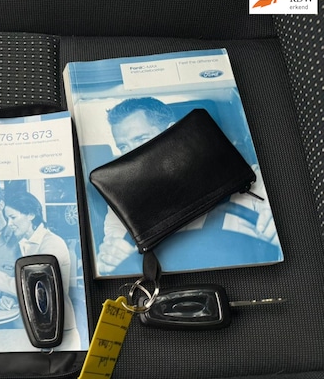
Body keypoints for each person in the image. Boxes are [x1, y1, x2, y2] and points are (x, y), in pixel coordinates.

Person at [97, 97, 279, 274]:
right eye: (123, 146)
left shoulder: (247, 175)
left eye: (140, 138)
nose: (131, 154)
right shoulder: (121, 204)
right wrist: (111, 259)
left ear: (172, 131)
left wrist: (276, 230)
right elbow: (114, 248)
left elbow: (275, 227)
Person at [0, 191, 80, 348]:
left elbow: (37, 290)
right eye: (7, 218)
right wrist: (12, 298)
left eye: (13, 217)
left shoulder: (52, 244)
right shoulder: (24, 243)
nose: (9, 223)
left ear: (30, 215)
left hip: (58, 328)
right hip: (35, 327)